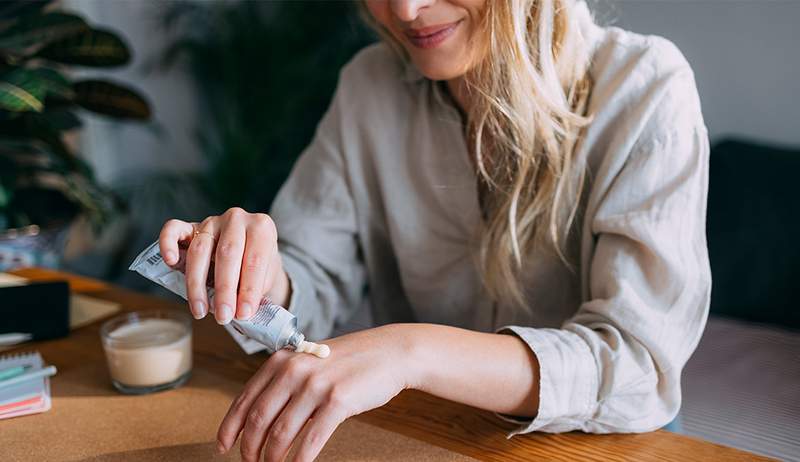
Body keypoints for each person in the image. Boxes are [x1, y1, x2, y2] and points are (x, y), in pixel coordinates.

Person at [158, 1, 711, 461]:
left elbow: (636, 367)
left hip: (602, 447)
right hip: (427, 438)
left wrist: (409, 352)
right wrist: (254, 272)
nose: (405, 9)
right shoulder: (368, 86)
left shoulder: (647, 89)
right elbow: (310, 284)